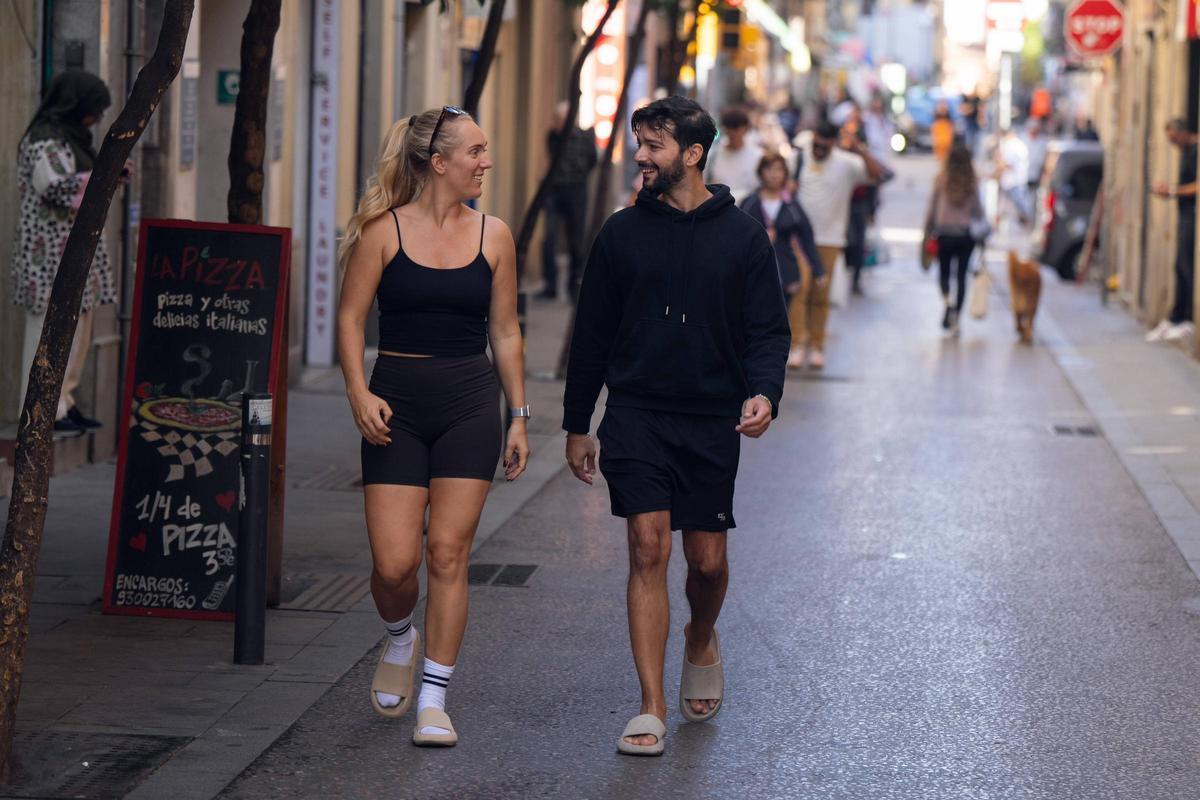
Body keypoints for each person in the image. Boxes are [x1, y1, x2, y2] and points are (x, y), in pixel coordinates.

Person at [562, 96, 790, 757]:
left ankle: (699, 636)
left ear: (691, 155)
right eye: (639, 143)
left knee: (708, 564)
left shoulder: (744, 236)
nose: (641, 155)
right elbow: (593, 334)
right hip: (636, 412)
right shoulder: (620, 233)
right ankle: (650, 704)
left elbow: (768, 331)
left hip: (710, 418)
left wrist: (764, 394)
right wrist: (579, 423)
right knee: (646, 548)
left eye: (654, 145)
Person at [336, 105, 530, 748]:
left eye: (486, 150)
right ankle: (399, 636)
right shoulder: (381, 232)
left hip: (470, 402)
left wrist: (520, 418)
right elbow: (350, 319)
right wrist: (357, 390)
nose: (486, 162)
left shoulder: (494, 235)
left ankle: (435, 696)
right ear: (438, 162)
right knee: (395, 566)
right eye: (475, 151)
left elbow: (505, 330)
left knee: (448, 553)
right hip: (396, 404)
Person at [12, 70, 120, 434]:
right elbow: (55, 187)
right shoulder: (46, 141)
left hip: (70, 252)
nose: (96, 119)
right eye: (94, 110)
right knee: (46, 329)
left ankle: (62, 403)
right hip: (47, 255)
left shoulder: (72, 141)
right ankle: (40, 408)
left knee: (79, 331)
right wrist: (105, 176)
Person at [792, 119, 884, 369]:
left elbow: (877, 175)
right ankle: (798, 343)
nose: (819, 149)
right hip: (799, 237)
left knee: (821, 294)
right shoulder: (799, 155)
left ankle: (817, 345)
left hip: (831, 238)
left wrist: (859, 148)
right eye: (816, 144)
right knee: (799, 290)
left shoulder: (847, 163)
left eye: (824, 145)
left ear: (833, 143)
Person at [740, 153, 823, 369]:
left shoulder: (792, 204)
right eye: (769, 169)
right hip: (755, 269)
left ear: (785, 174)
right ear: (761, 173)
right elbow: (736, 235)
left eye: (778, 170)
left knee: (785, 312)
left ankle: (789, 349)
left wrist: (818, 269)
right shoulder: (749, 203)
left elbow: (807, 236)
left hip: (786, 268)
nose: (774, 174)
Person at [538, 101, 598, 301]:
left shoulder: (584, 137)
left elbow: (592, 161)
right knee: (549, 239)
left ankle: (574, 287)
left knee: (575, 241)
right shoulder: (553, 136)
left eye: (559, 119)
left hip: (576, 190)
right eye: (555, 119)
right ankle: (550, 285)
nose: (555, 123)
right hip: (554, 191)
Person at [924, 141, 985, 336]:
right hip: (965, 235)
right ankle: (956, 317)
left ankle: (947, 303)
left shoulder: (941, 180)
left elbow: (932, 208)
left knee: (943, 274)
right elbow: (978, 212)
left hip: (944, 234)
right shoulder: (971, 183)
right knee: (961, 276)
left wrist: (927, 230)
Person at [1147, 119, 1199, 343]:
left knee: (1186, 266)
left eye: (1172, 138)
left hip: (1191, 215)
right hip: (1184, 214)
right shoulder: (1187, 150)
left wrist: (1171, 190)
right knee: (1179, 265)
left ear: (1181, 132)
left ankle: (1186, 319)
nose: (1172, 144)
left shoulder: (1196, 149)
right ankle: (1176, 317)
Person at [703, 106, 762, 204]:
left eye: (736, 128)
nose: (732, 133)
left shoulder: (757, 157)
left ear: (746, 128)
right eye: (728, 128)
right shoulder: (713, 155)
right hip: (719, 210)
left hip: (747, 211)